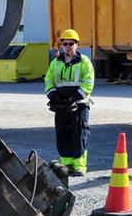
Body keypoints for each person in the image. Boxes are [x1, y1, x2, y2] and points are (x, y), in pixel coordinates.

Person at [44, 29, 95, 176]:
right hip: (61, 106)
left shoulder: (84, 62)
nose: (67, 46)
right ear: (61, 45)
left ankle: (79, 167)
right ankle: (66, 165)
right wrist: (52, 95)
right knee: (63, 134)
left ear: (77, 45)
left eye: (71, 43)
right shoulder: (55, 63)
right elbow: (48, 80)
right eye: (64, 43)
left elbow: (88, 81)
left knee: (79, 133)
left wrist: (76, 96)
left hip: (79, 105)